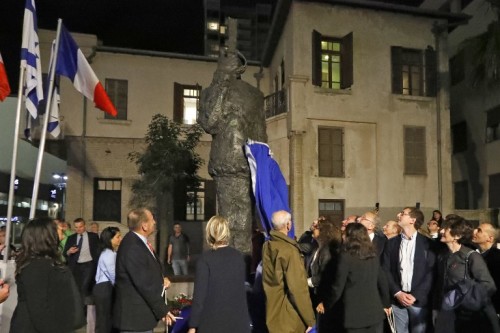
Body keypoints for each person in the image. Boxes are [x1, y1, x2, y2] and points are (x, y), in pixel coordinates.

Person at [10, 217, 84, 332]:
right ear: (46, 236)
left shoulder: (43, 262)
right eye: (59, 231)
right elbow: (39, 309)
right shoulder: (37, 266)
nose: (62, 235)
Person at [320, 223, 391, 333]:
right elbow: (382, 281)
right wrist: (386, 303)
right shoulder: (372, 255)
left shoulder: (345, 257)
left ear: (350, 237)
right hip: (375, 314)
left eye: (344, 234)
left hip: (354, 316)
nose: (342, 237)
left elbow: (337, 287)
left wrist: (327, 304)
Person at [434, 216, 500, 333]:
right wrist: (436, 309)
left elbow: (488, 285)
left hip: (468, 318)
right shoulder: (442, 256)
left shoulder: (471, 256)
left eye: (446, 229)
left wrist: (467, 301)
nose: (441, 231)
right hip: (447, 315)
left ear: (457, 236)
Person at [113, 208, 175, 332]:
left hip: (140, 318)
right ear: (144, 226)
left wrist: (161, 280)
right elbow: (144, 283)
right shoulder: (133, 247)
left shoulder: (138, 243)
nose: (155, 223)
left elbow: (146, 271)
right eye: (152, 220)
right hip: (135, 320)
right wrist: (162, 310)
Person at [187, 216, 251, 333]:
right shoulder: (239, 257)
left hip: (212, 322)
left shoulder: (205, 259)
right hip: (238, 322)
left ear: (209, 233)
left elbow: (199, 297)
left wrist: (193, 325)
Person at [381, 207, 436, 333]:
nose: (398, 214)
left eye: (403, 213)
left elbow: (431, 273)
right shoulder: (391, 243)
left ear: (412, 220)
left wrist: (415, 295)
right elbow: (385, 269)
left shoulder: (428, 244)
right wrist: (397, 293)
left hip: (418, 301)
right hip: (397, 300)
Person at [262, 210, 315, 333]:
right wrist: (310, 319)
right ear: (288, 225)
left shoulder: (268, 245)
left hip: (272, 310)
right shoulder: (289, 251)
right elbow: (297, 288)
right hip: (288, 316)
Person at [307, 218, 342, 332]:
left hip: (324, 299)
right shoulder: (317, 248)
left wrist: (307, 281)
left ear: (323, 231)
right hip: (315, 296)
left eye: (316, 228)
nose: (313, 229)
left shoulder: (327, 250)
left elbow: (327, 275)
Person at [63, 218, 101, 306]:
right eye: (76, 227)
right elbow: (65, 253)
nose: (78, 229)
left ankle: (82, 307)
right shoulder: (71, 238)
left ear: (84, 226)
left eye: (80, 227)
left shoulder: (93, 236)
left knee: (84, 286)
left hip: (89, 265)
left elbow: (99, 250)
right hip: (76, 266)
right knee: (77, 287)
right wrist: (69, 251)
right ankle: (80, 307)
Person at [93, 227, 122, 333]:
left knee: (108, 320)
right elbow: (113, 275)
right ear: (109, 239)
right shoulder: (108, 254)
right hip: (104, 288)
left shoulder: (112, 253)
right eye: (118, 237)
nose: (120, 239)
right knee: (104, 322)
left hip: (106, 288)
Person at [472, 222, 500, 315]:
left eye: (479, 231)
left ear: (490, 238)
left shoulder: (497, 258)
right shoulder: (472, 254)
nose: (474, 232)